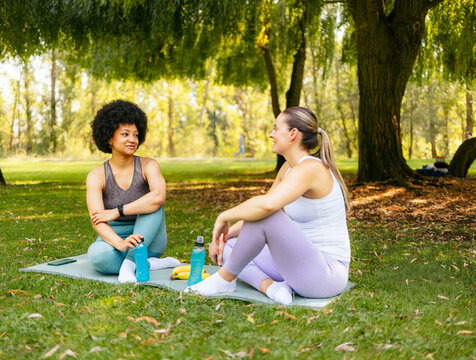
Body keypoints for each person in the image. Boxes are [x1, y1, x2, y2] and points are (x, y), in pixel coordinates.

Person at [185, 107, 351, 304]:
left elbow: (266, 207)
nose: (271, 134)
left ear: (292, 134)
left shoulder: (311, 169)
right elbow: (264, 205)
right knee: (230, 248)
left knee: (267, 215)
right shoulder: (289, 168)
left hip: (326, 275)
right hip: (300, 263)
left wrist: (224, 217)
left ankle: (224, 279)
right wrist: (223, 238)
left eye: (275, 128)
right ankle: (270, 287)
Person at [86, 100, 180, 283]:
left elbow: (158, 198)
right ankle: (149, 264)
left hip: (149, 237)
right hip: (116, 237)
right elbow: (97, 220)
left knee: (152, 202)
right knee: (98, 257)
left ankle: (130, 263)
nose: (132, 139)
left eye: (136, 135)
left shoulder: (149, 165)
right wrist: (120, 243)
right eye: (125, 134)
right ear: (109, 138)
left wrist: (117, 211)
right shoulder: (96, 176)